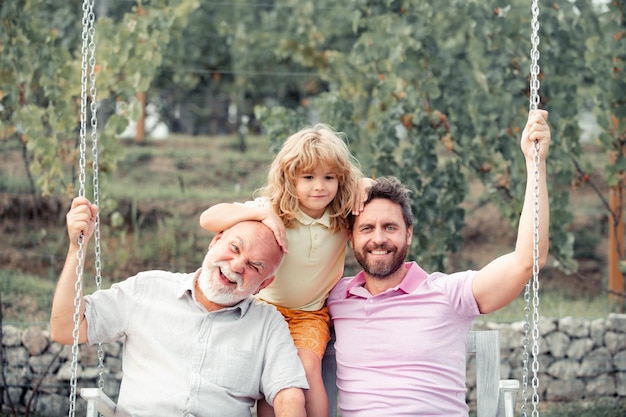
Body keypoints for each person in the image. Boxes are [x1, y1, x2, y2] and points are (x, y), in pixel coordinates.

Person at [326, 109, 551, 417]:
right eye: (367, 228)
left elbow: (528, 259)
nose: (378, 238)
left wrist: (534, 162)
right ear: (350, 239)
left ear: (409, 235)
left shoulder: (448, 293)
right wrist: (360, 182)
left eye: (390, 227)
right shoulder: (335, 297)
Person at [50, 197, 309, 417]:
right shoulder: (147, 289)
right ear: (215, 241)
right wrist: (77, 248)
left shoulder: (268, 324)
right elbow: (65, 329)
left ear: (264, 285)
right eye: (234, 247)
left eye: (255, 266)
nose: (238, 265)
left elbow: (289, 394)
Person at [199, 124, 373, 417]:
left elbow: (374, 195)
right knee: (274, 378)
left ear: (340, 178)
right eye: (308, 177)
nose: (319, 186)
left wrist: (367, 182)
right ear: (289, 178)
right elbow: (208, 218)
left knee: (306, 369)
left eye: (328, 177)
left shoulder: (342, 214)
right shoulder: (276, 209)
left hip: (310, 312)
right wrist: (260, 213)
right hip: (265, 310)